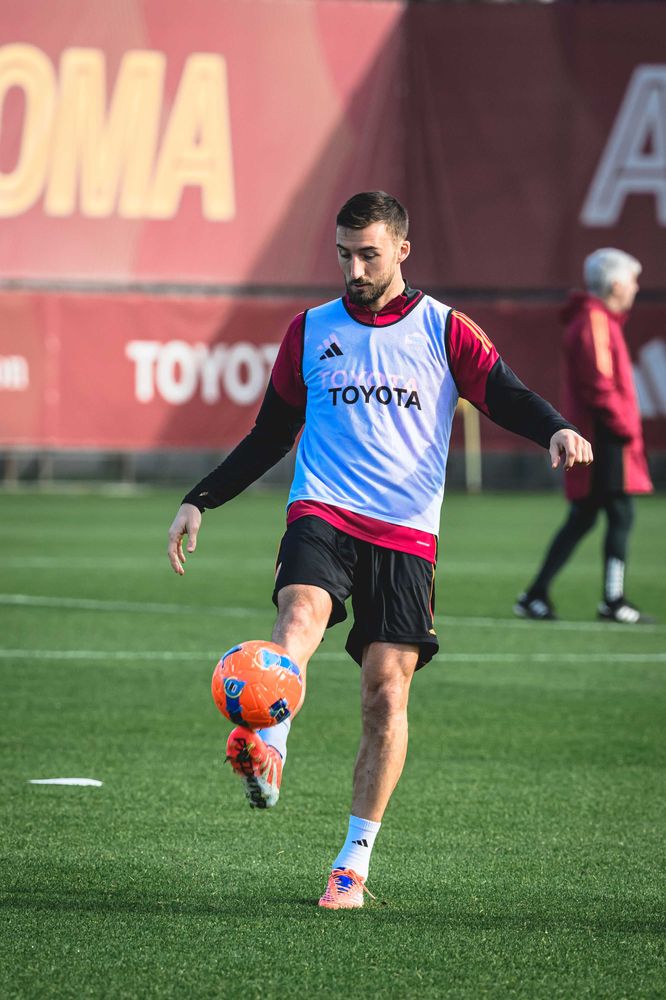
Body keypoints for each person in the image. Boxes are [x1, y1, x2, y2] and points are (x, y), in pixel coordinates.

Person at [167, 191, 592, 909]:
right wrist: (199, 498)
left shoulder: (444, 329)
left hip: (405, 533)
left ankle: (352, 863)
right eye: (343, 254)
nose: (355, 268)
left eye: (368, 254)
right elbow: (271, 434)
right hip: (322, 511)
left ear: (401, 250)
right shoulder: (309, 331)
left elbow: (506, 393)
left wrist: (553, 426)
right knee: (297, 618)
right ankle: (271, 743)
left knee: (384, 694)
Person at [514, 248, 653, 624]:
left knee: (586, 515)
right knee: (618, 513)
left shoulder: (597, 319)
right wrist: (624, 426)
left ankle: (536, 593)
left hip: (602, 433)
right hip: (605, 436)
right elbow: (600, 384)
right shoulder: (595, 320)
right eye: (633, 280)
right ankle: (612, 599)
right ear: (616, 284)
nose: (636, 288)